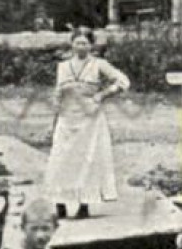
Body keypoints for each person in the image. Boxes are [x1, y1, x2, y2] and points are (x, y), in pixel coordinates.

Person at [43, 27, 130, 220]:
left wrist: (102, 94)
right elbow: (58, 95)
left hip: (90, 120)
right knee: (61, 159)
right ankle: (61, 204)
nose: (81, 46)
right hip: (67, 118)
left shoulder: (99, 64)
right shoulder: (63, 67)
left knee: (87, 160)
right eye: (77, 42)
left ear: (91, 45)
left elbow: (123, 81)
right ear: (71, 44)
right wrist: (53, 120)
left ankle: (84, 205)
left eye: (85, 43)